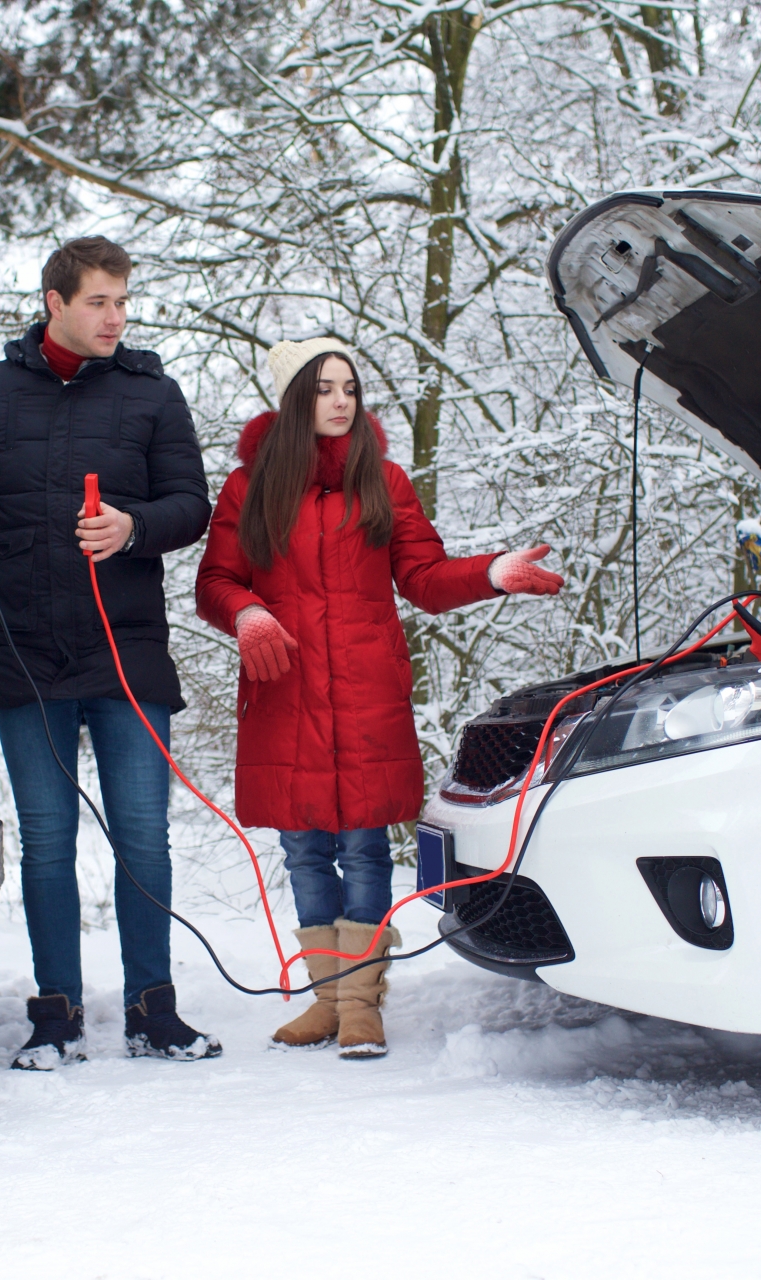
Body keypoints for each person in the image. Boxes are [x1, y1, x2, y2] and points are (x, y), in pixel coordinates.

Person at [194, 339, 565, 1058]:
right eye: (324, 388)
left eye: (351, 389)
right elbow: (215, 580)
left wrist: (492, 572)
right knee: (303, 848)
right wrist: (246, 612)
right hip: (286, 690)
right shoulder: (251, 488)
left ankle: (361, 1004)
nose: (340, 401)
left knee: (365, 846)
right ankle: (326, 1002)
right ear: (294, 399)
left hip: (366, 691)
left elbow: (423, 578)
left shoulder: (383, 480)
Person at [0, 236, 219, 1070]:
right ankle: (55, 1017)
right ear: (54, 302)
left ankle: (152, 1012)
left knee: (144, 839)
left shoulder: (153, 394)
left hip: (127, 655)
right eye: (99, 301)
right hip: (25, 653)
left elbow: (191, 506)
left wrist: (133, 527)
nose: (116, 317)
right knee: (47, 842)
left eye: (123, 301)